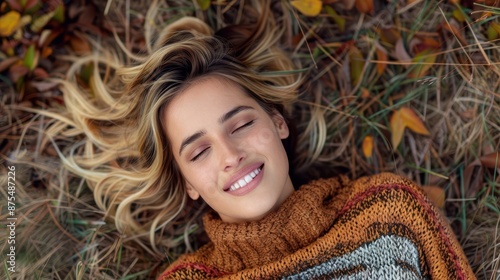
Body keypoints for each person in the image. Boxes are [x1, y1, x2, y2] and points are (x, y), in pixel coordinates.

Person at [49, 1, 475, 279]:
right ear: (189, 185)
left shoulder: (389, 211)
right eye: (199, 151)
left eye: (239, 125)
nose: (230, 155)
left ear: (278, 123)